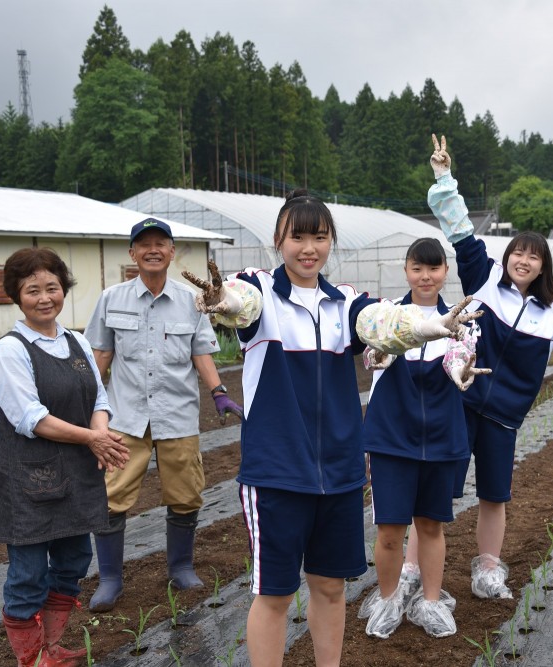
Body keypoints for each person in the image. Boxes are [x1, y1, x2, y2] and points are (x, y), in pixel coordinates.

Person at [193, 190, 480, 667]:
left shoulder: (345, 302)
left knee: (329, 588)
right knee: (275, 595)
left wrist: (432, 326)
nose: (309, 247)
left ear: (331, 243)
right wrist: (219, 298)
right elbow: (237, 302)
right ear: (278, 240)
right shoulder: (260, 292)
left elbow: (383, 322)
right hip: (277, 474)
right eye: (298, 236)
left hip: (341, 475)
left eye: (320, 237)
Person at [426, 135, 553, 599]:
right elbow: (459, 229)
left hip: (503, 417)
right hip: (461, 402)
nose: (523, 259)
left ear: (541, 268)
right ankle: (417, 568)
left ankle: (488, 569)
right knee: (437, 490)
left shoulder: (552, 317)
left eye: (533, 256)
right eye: (519, 251)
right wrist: (443, 176)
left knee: (495, 496)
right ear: (508, 257)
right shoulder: (484, 282)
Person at [84, 218, 243, 612]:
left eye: (161, 243)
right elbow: (100, 357)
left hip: (178, 415)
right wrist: (87, 406)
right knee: (112, 496)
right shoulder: (111, 299)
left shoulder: (191, 301)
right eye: (144, 244)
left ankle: (181, 567)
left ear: (172, 252)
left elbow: (200, 352)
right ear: (132, 253)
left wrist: (219, 392)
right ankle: (109, 579)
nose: (153, 250)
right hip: (125, 417)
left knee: (186, 494)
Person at [0, 248, 130, 667]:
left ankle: (53, 647)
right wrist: (92, 439)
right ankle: (31, 658)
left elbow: (98, 397)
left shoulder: (77, 341)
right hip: (27, 481)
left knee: (72, 562)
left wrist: (100, 434)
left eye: (52, 287)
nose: (45, 297)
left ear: (63, 290)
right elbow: (32, 418)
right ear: (16, 295)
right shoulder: (9, 351)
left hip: (76, 475)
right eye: (33, 290)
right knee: (28, 573)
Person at [358, 238, 488, 640]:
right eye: (418, 268)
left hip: (441, 437)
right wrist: (376, 355)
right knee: (390, 529)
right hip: (391, 436)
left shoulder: (464, 320)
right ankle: (389, 597)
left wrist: (461, 373)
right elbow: (374, 355)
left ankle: (430, 601)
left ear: (446, 271)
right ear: (406, 270)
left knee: (431, 525)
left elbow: (456, 362)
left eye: (434, 268)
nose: (426, 276)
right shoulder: (389, 316)